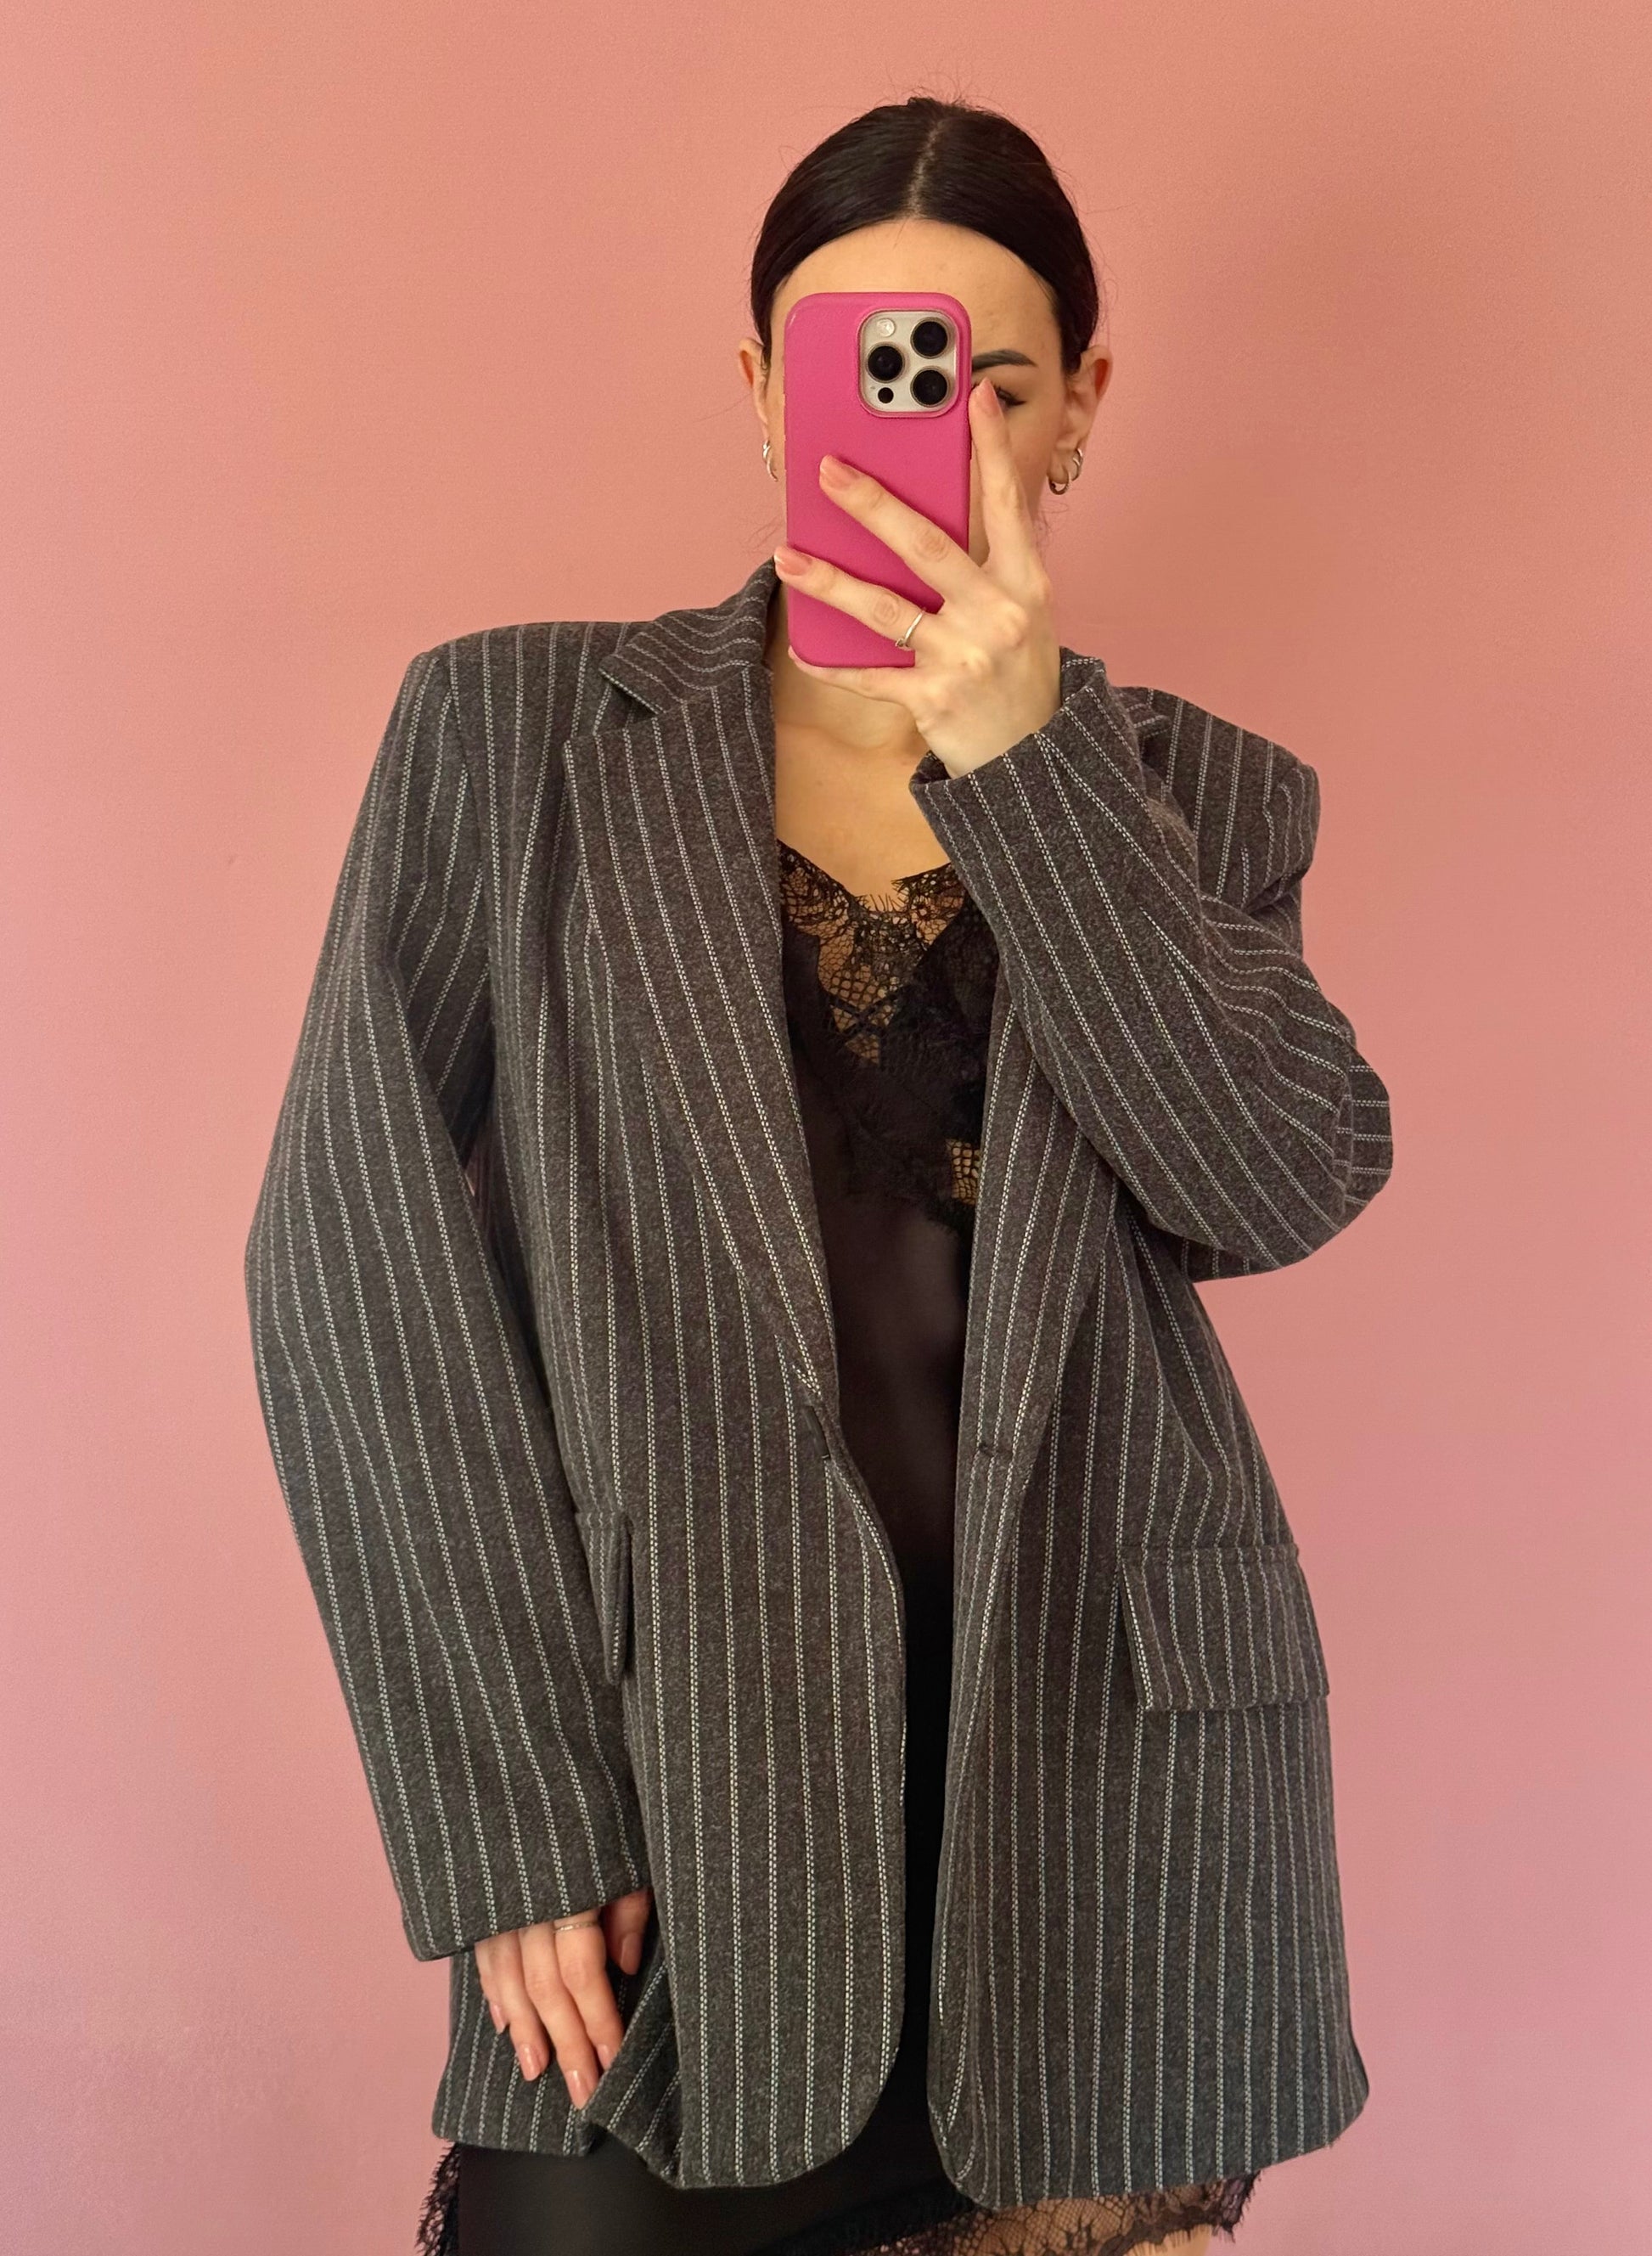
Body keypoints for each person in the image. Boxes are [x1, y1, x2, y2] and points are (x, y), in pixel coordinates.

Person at [245, 95, 1392, 2256]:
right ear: (769, 389)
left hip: (1107, 1820)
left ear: (1079, 411)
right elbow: (343, 1270)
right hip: (674, 1790)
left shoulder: (1202, 796)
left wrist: (1027, 759)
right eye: (862, 368)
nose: (922, 430)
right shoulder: (511, 740)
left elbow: (1270, 1180)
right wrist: (509, 1806)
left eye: (993, 382)